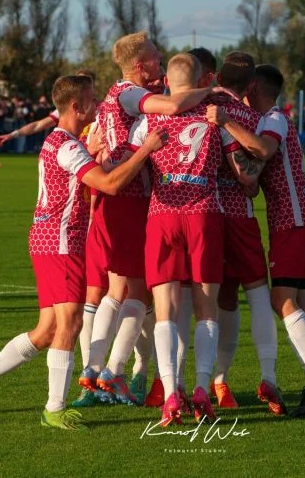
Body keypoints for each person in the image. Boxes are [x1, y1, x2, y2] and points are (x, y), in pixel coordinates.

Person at [0, 74, 167, 430]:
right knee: (70, 322)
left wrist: (94, 152)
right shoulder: (68, 146)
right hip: (60, 241)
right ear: (76, 106)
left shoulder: (64, 141)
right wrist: (145, 149)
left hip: (49, 238)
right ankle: (54, 409)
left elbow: (84, 179)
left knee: (47, 330)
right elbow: (109, 185)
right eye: (91, 99)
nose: (97, 105)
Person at [80, 31, 214, 406]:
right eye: (156, 57)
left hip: (112, 199)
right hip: (130, 198)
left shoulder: (113, 96)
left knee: (117, 289)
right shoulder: (129, 93)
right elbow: (172, 106)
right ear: (140, 65)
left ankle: (94, 369)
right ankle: (112, 371)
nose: (161, 61)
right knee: (137, 291)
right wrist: (209, 91)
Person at [206, 64, 305, 417]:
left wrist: (225, 122)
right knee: (301, 302)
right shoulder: (272, 119)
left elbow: (264, 150)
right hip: (296, 219)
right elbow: (254, 175)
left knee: (281, 301)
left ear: (253, 88)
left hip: (291, 220)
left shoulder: (274, 119)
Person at [128, 53, 256, 425]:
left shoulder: (149, 118)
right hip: (204, 214)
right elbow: (245, 171)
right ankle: (202, 387)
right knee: (207, 309)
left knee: (165, 311)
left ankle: (170, 393)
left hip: (163, 213)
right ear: (201, 80)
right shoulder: (214, 115)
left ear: (167, 81)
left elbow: (126, 162)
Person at [205, 51, 285, 415]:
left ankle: (188, 383)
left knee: (202, 299)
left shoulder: (198, 107)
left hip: (197, 213)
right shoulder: (253, 118)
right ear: (251, 84)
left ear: (218, 77)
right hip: (237, 215)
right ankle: (265, 377)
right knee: (255, 294)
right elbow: (250, 178)